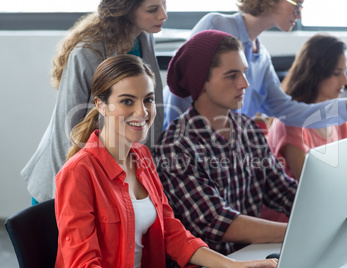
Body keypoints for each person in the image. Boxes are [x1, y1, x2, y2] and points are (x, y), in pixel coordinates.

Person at [55, 54, 278, 268]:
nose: (141, 112)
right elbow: (82, 263)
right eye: (127, 101)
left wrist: (232, 265)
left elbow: (171, 232)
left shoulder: (142, 156)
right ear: (101, 104)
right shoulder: (78, 173)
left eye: (148, 100)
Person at [154, 30, 298, 256]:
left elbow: (283, 190)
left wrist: (337, 212)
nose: (244, 84)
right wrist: (298, 231)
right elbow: (219, 222)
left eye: (244, 72)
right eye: (231, 75)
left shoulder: (247, 128)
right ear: (201, 82)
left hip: (251, 257)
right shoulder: (176, 145)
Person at [162, 0, 347, 131]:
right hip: (191, 152)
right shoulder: (216, 25)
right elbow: (179, 89)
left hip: (229, 156)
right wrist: (176, 145)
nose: (299, 14)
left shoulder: (262, 58)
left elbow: (291, 111)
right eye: (296, 4)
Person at [22, 0, 166, 204]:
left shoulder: (144, 37)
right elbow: (69, 130)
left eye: (164, 4)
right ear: (125, 9)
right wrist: (79, 187)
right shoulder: (86, 53)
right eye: (153, 10)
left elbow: (153, 104)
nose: (163, 15)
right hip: (69, 174)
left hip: (115, 168)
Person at [268, 33, 347, 192]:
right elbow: (315, 187)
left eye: (345, 72)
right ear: (315, 72)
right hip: (294, 214)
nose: (345, 81)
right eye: (336, 73)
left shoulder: (337, 117)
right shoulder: (289, 124)